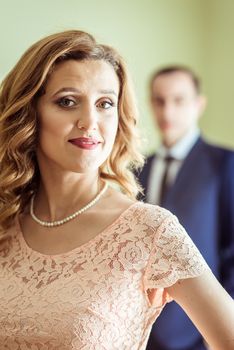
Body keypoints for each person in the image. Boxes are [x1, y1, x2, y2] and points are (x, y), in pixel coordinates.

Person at [0, 31, 233, 350]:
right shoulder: (5, 223)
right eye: (67, 101)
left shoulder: (151, 230)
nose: (90, 121)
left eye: (105, 103)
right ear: (30, 112)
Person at [137, 65, 234, 350]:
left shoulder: (224, 164)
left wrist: (220, 324)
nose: (167, 111)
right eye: (159, 100)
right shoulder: (136, 168)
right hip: (144, 329)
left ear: (198, 104)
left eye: (178, 100)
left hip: (201, 332)